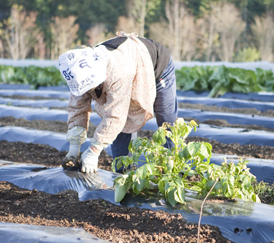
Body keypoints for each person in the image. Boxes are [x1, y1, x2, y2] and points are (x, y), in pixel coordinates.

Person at [59, 31, 178, 173]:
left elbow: (115, 115)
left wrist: (93, 152)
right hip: (129, 62)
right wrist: (74, 147)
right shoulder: (78, 73)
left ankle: (173, 168)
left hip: (157, 65)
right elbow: (77, 107)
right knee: (121, 132)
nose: (88, 92)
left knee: (166, 119)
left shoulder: (117, 71)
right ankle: (124, 172)